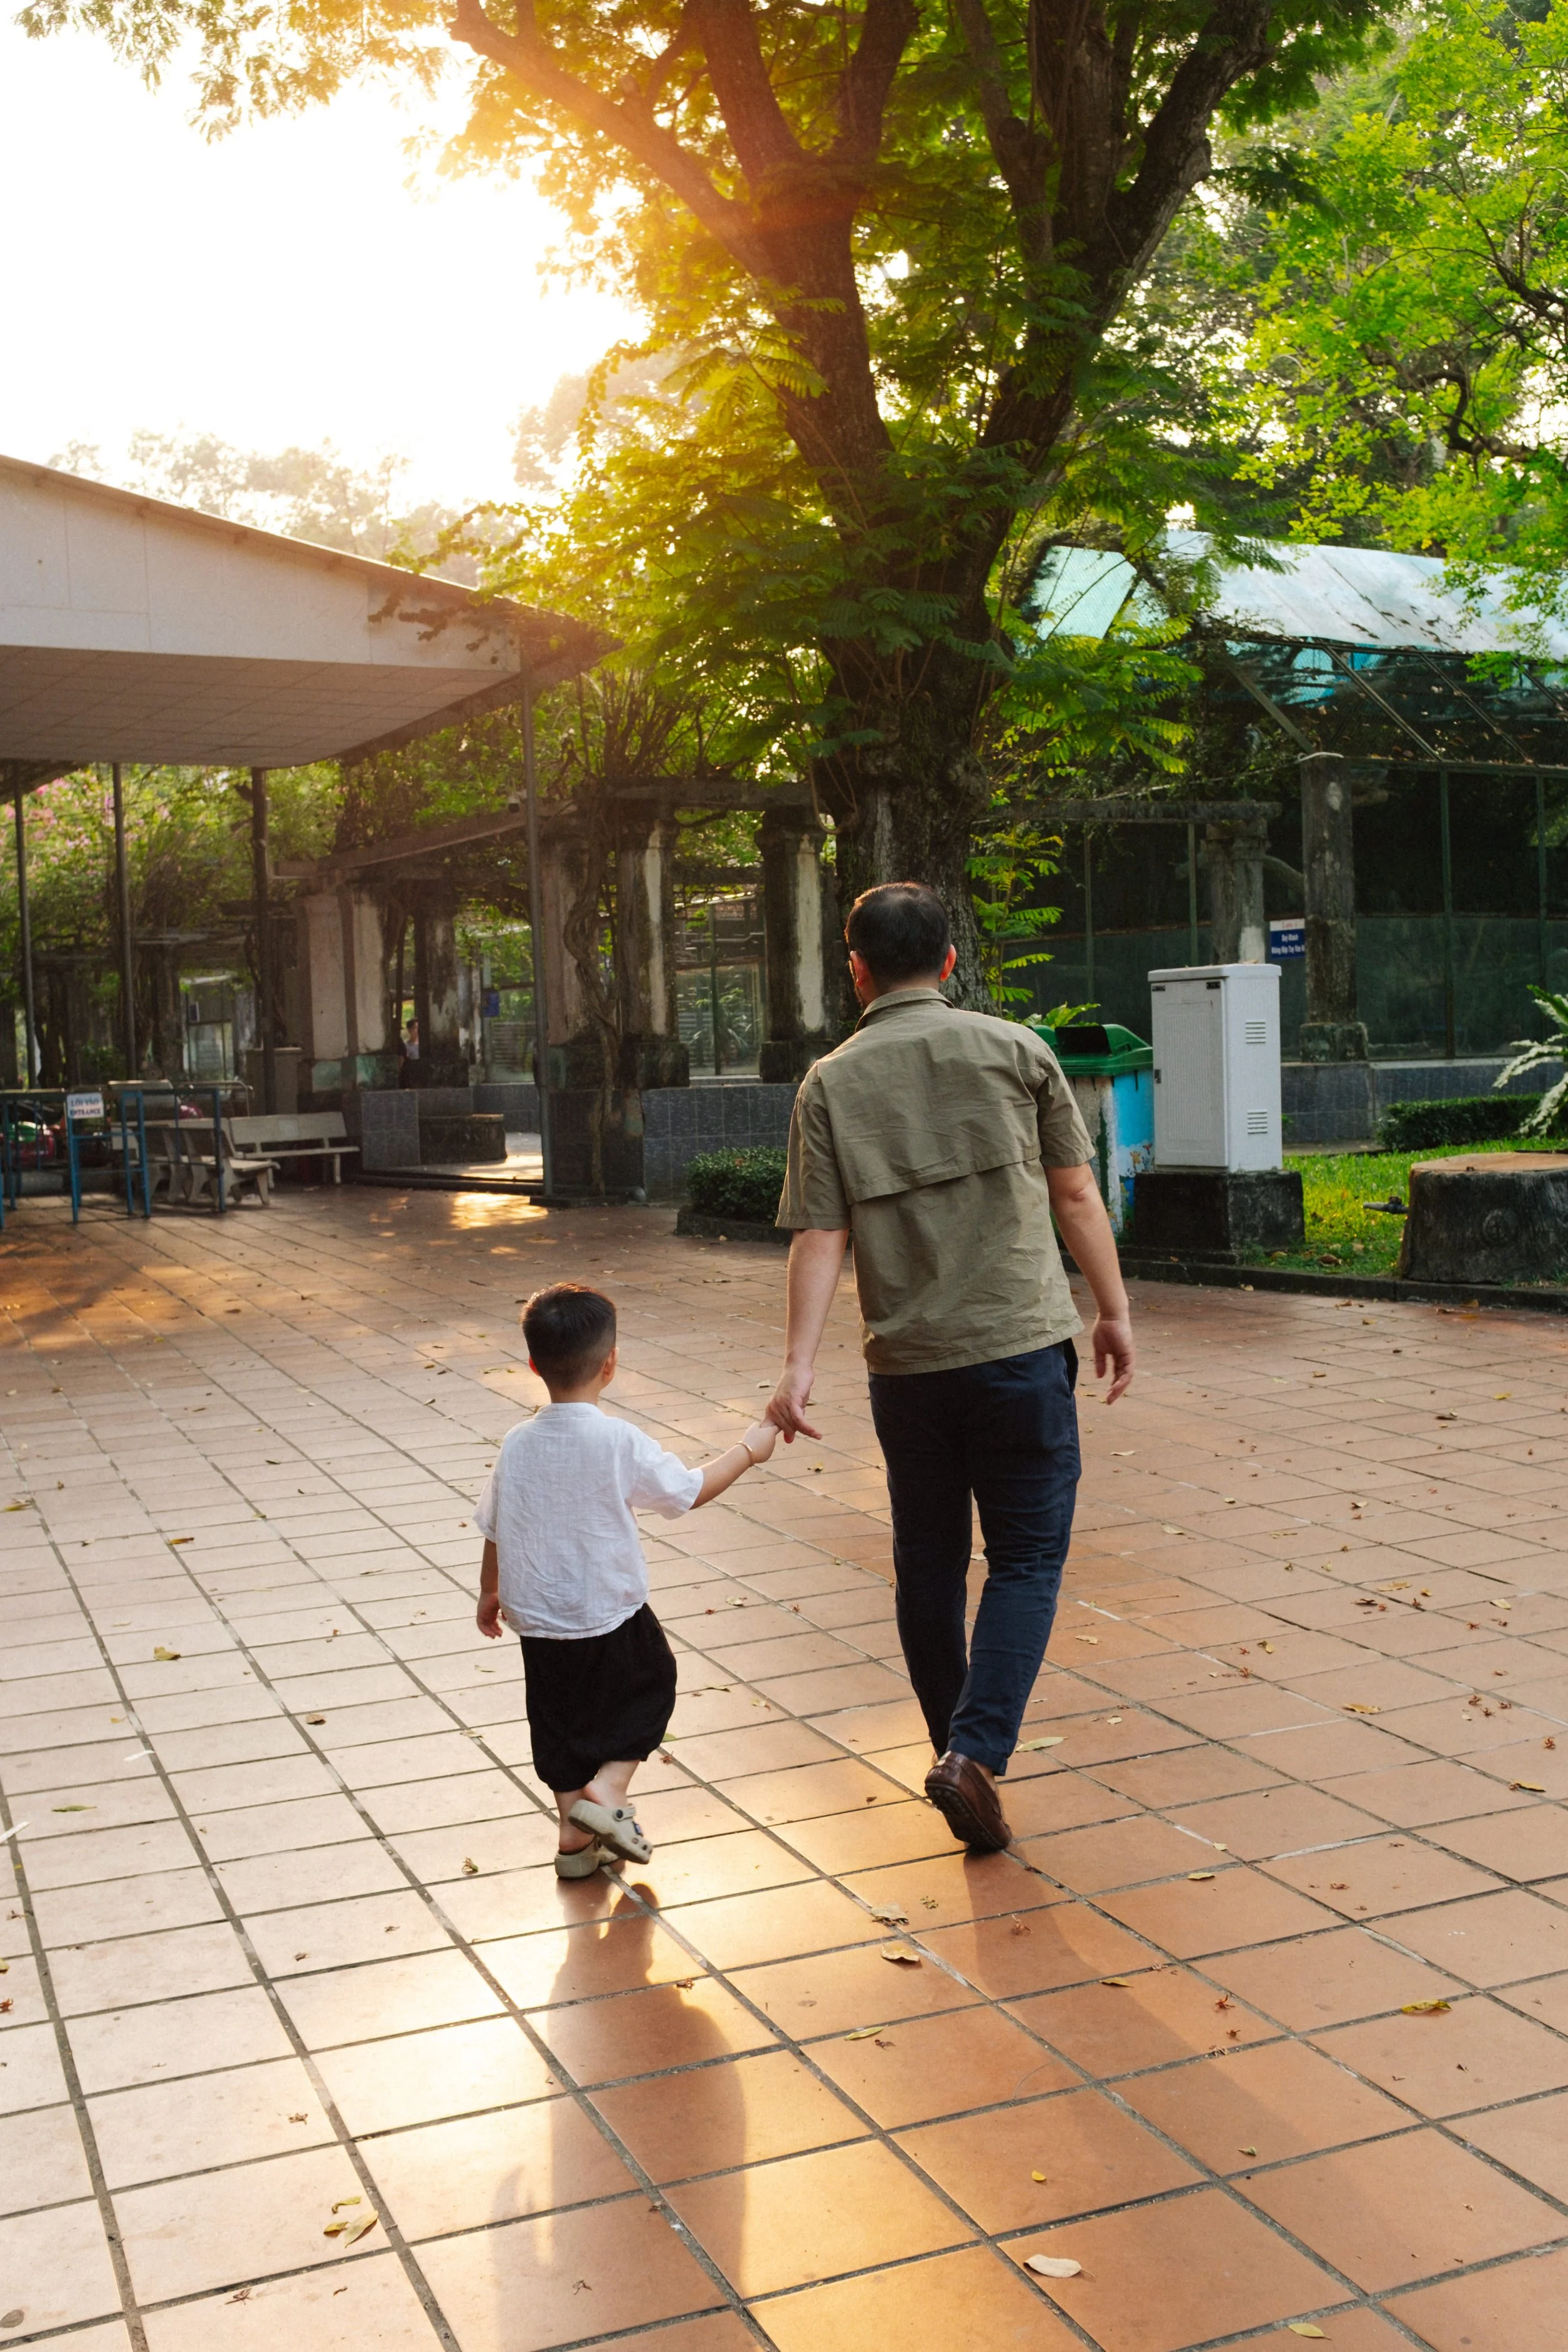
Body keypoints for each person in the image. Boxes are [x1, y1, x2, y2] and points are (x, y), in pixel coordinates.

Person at [768, 882, 1135, 1855]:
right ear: (948, 962)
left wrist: (796, 1370)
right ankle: (974, 1756)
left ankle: (954, 1755)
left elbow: (819, 1236)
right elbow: (1075, 1191)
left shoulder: (831, 1083)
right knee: (1025, 1558)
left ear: (855, 969)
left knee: (928, 1562)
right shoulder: (1018, 1050)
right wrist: (1114, 1309)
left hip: (911, 1369)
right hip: (1021, 1350)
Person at [475, 1281, 778, 1876]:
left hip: (537, 1618)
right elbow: (689, 1491)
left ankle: (573, 1840)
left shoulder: (517, 1442)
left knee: (559, 1723)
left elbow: (495, 1526)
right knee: (650, 1686)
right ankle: (608, 1793)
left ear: (534, 1364)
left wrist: (489, 1591)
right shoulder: (616, 1441)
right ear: (610, 1364)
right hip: (609, 1611)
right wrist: (750, 1449)